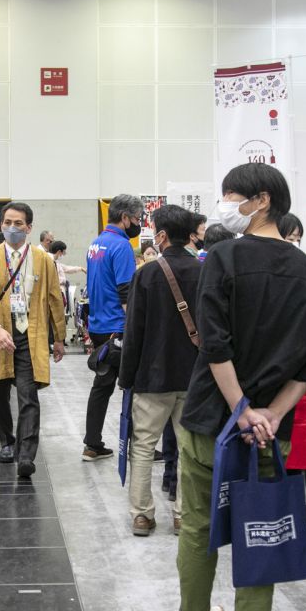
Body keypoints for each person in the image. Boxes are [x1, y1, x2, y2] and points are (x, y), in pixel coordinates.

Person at [177, 163, 306, 611]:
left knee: (198, 521)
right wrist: (268, 413)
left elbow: (215, 343)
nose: (224, 205)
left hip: (209, 416)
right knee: (258, 523)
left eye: (231, 196)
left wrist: (238, 407)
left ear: (260, 200)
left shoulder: (220, 259)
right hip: (272, 428)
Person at [119, 205, 202, 537]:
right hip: (193, 376)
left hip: (152, 377)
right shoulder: (203, 272)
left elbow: (133, 332)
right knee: (187, 448)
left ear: (163, 236)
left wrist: (127, 379)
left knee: (143, 444)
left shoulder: (147, 274)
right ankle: (183, 515)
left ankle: (142, 514)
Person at [0, 202, 67, 478]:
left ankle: (26, 454)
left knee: (28, 396)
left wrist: (59, 337)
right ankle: (7, 442)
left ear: (29, 227)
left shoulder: (43, 259)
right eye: (7, 222)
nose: (11, 228)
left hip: (31, 333)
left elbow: (54, 299)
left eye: (18, 224)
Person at [82, 194, 141, 461]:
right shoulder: (121, 246)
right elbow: (126, 291)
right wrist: (134, 328)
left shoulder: (96, 244)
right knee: (135, 386)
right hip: (118, 327)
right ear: (125, 218)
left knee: (102, 385)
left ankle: (93, 443)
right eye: (137, 219)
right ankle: (137, 446)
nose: (137, 224)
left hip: (98, 325)